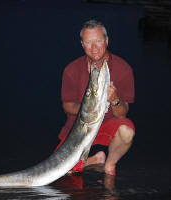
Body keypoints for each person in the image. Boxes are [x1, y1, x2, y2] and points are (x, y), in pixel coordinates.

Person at [55, 19, 135, 176]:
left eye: (98, 41)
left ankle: (110, 164)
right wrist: (90, 107)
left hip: (107, 125)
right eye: (88, 42)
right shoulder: (71, 70)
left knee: (127, 130)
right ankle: (95, 159)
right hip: (78, 130)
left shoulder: (123, 69)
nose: (94, 48)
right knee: (62, 170)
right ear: (82, 44)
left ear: (106, 40)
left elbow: (122, 113)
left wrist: (115, 100)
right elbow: (67, 106)